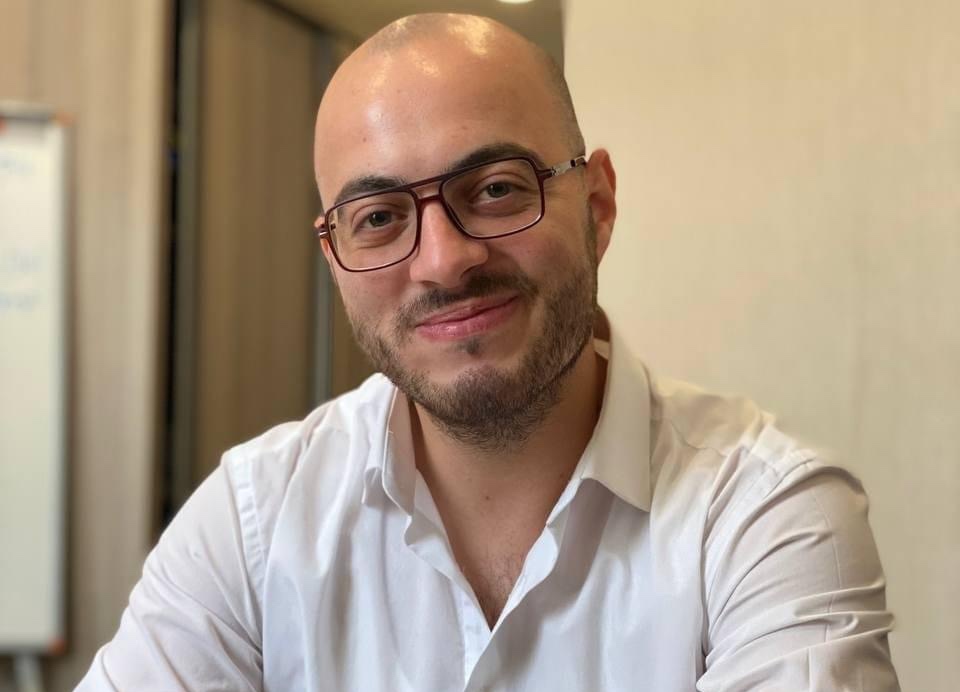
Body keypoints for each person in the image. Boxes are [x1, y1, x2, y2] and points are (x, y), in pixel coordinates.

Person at [77, 13, 899, 691]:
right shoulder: (254, 521)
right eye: (379, 218)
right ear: (335, 258)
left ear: (598, 205)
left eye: (497, 188)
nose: (443, 262)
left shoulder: (765, 515)